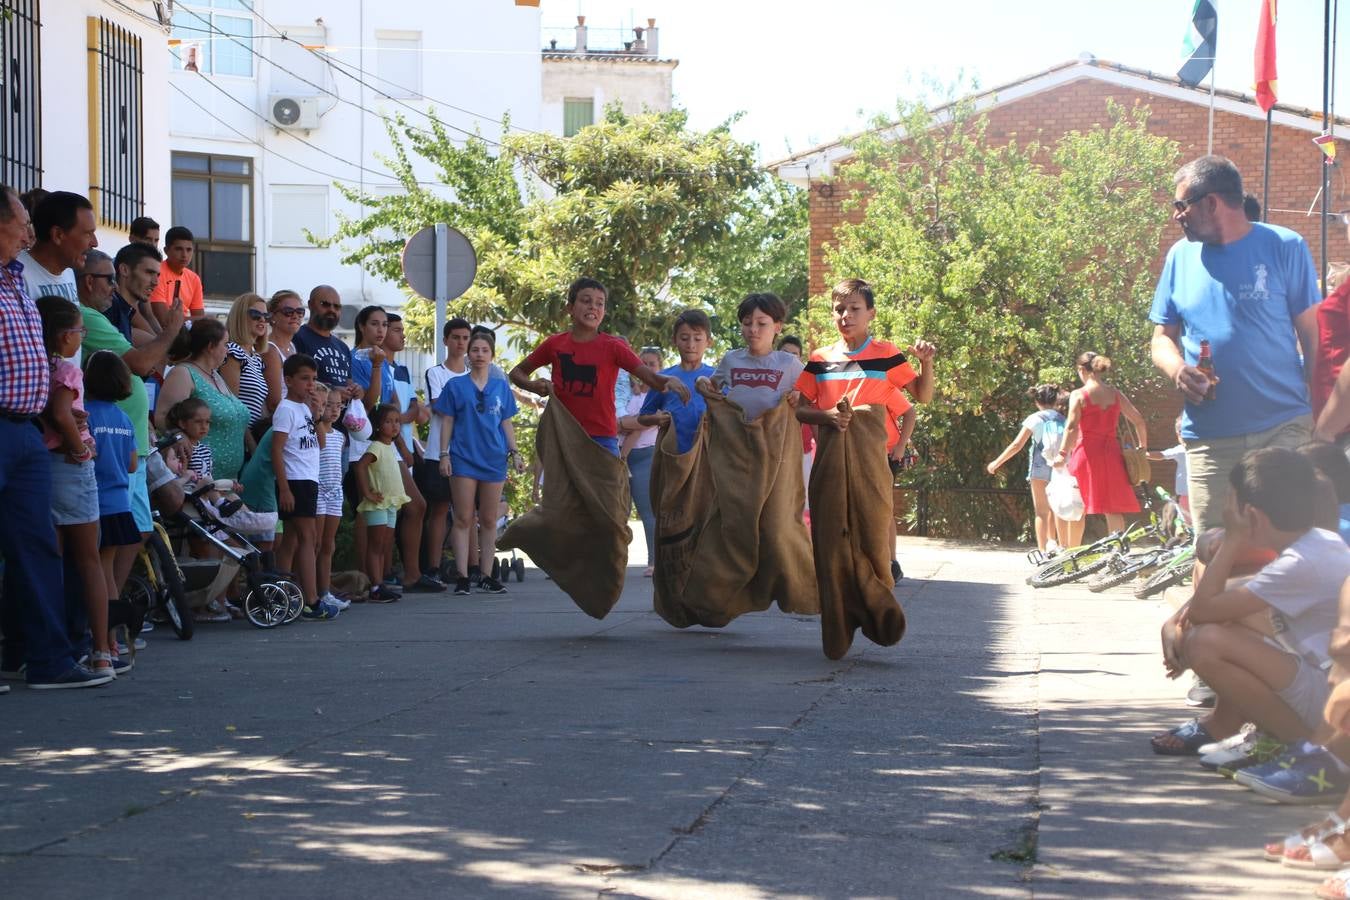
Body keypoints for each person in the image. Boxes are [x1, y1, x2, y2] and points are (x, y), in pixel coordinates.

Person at [1150, 155, 1320, 534]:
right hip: (1210, 434)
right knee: (1212, 546)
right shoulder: (1180, 256)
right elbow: (1161, 339)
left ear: (1211, 202)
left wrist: (1318, 408)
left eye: (1181, 205)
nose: (1177, 216)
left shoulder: (1284, 245)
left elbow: (1313, 335)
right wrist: (1178, 369)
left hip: (1283, 426)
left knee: (1286, 543)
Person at [1153, 449, 1350, 768]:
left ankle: (1308, 754)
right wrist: (1174, 621)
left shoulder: (1300, 562)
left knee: (1204, 642)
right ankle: (1272, 735)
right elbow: (1226, 600)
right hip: (1331, 684)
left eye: (1231, 509)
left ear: (1252, 517)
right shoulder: (1315, 544)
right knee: (1224, 623)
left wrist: (1232, 539)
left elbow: (1203, 613)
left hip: (1334, 697)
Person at [0, 186, 111, 690]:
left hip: (25, 431)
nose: (26, 231)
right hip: (11, 426)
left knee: (38, 547)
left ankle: (49, 660)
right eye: (19, 222)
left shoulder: (17, 279)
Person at [795, 278, 936, 582]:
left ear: (871, 313)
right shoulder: (820, 359)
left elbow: (921, 397)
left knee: (875, 517)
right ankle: (836, 576)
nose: (846, 315)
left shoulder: (886, 354)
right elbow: (800, 409)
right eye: (839, 309)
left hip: (875, 454)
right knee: (833, 516)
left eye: (855, 308)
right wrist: (829, 416)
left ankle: (881, 573)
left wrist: (926, 364)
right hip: (832, 453)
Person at [80, 242, 185, 581]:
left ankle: (117, 608)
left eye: (159, 274)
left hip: (136, 436)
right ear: (124, 271)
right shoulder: (101, 312)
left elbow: (156, 358)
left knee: (136, 529)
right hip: (112, 436)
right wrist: (170, 327)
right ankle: (107, 612)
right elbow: (141, 361)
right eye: (149, 273)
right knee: (112, 535)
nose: (156, 281)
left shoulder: (124, 311)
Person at [509, 277, 690, 454]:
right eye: (586, 301)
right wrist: (532, 386)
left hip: (602, 437)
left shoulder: (614, 346)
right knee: (558, 485)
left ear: (604, 311)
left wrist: (669, 381)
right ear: (570, 308)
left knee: (610, 484)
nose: (593, 307)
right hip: (561, 435)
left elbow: (650, 378)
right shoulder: (554, 344)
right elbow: (516, 373)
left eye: (600, 303)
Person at [37, 296, 120, 678]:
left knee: (49, 561)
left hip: (42, 467)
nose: (81, 338)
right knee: (89, 560)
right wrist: (79, 448)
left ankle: (50, 646)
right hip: (70, 467)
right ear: (63, 335)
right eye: (79, 331)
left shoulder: (38, 369)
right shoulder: (68, 370)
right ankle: (102, 647)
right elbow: (60, 414)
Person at [436, 331, 523, 595]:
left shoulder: (501, 388)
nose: (479, 355)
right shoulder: (455, 386)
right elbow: (447, 421)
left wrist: (515, 452)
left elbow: (506, 421)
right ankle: (463, 576)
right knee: (463, 518)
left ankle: (486, 575)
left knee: (488, 519)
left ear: (492, 355)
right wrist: (444, 454)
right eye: (475, 350)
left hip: (494, 459)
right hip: (463, 458)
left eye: (485, 350)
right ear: (468, 354)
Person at [1050, 352, 1147, 542]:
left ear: (1081, 370)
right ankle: (1118, 550)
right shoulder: (1115, 394)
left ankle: (1072, 554)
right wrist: (1142, 448)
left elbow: (1071, 427)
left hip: (1086, 453)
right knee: (1112, 508)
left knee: (1078, 506)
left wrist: (1062, 453)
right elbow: (1139, 420)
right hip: (1111, 454)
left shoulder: (1079, 394)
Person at [271, 354, 337, 620]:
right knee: (309, 539)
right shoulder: (286, 409)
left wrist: (317, 414)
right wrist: (284, 488)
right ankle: (311, 600)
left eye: (313, 379)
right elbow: (277, 450)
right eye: (304, 379)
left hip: (309, 479)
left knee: (292, 539)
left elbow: (320, 443)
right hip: (295, 480)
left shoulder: (304, 409)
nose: (310, 385)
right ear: (288, 380)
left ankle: (282, 593)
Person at [84, 350, 140, 661]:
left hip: (97, 503)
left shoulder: (86, 415)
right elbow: (132, 465)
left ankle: (103, 643)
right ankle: (114, 640)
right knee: (108, 576)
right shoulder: (124, 418)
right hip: (121, 504)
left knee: (98, 574)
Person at [155, 318, 250, 481]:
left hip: (227, 481)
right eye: (225, 344)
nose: (227, 350)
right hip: (197, 480)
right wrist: (178, 435)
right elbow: (162, 416)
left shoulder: (215, 376)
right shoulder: (183, 373)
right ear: (211, 346)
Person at [383, 312, 437, 592]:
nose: (401, 335)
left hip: (404, 447)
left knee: (405, 510)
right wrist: (399, 427)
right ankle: (397, 573)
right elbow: (385, 413)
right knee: (409, 507)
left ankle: (407, 572)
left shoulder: (402, 368)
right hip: (389, 448)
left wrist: (401, 419)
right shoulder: (376, 366)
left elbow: (416, 410)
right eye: (396, 330)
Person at [419, 317, 472, 582]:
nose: (461, 343)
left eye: (465, 338)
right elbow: (440, 405)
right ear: (445, 341)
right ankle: (433, 567)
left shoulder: (476, 373)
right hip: (440, 452)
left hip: (471, 452)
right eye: (456, 338)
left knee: (468, 512)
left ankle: (472, 568)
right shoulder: (436, 373)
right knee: (439, 509)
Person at [986, 384, 1069, 554]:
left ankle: (1043, 550)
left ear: (1037, 401)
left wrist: (997, 462)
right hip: (1061, 466)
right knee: (1058, 507)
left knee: (1041, 511)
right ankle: (1062, 547)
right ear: (1055, 400)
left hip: (1040, 465)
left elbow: (1017, 444)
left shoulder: (1035, 418)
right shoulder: (1063, 418)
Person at [712, 293, 805, 421]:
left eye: (761, 323)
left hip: (773, 439)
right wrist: (700, 381)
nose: (753, 329)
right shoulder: (730, 359)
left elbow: (817, 391)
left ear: (777, 327)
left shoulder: (789, 362)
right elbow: (710, 388)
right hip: (733, 438)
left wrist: (801, 394)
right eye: (747, 323)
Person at [635, 310, 715, 455]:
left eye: (697, 339)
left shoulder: (716, 377)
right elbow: (643, 417)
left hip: (708, 454)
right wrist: (656, 419)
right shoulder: (664, 378)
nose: (691, 345)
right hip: (672, 454)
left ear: (709, 342)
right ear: (674, 340)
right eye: (684, 338)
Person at [356, 404, 411, 603]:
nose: (394, 426)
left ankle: (379, 583)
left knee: (384, 546)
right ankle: (376, 586)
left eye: (397, 421)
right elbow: (360, 467)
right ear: (378, 425)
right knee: (376, 545)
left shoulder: (391, 446)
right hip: (378, 504)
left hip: (389, 504)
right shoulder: (376, 446)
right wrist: (367, 492)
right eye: (388, 421)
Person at [620, 348, 662, 576]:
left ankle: (654, 561)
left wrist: (623, 453)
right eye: (643, 363)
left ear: (660, 367)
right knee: (619, 512)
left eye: (652, 363)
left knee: (648, 512)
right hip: (621, 456)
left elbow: (640, 426)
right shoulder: (629, 395)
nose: (647, 367)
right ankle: (616, 560)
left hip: (645, 455)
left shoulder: (659, 394)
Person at [19, 191, 96, 308]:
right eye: (87, 234)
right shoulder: (17, 274)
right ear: (58, 235)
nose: (95, 243)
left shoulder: (68, 272)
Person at [312, 383, 348, 610]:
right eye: (329, 405)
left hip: (335, 492)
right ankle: (310, 590)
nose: (334, 410)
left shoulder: (341, 436)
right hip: (318, 491)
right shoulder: (316, 430)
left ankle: (325, 592)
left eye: (339, 406)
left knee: (328, 544)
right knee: (314, 544)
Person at [293, 284, 359, 401]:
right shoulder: (297, 337)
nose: (332, 310)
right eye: (325, 304)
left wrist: (356, 390)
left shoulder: (342, 347)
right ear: (310, 305)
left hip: (341, 417)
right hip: (312, 416)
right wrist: (331, 391)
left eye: (337, 307)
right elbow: (294, 380)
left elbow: (348, 381)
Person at [76, 249, 156, 345]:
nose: (155, 282)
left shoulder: (119, 307)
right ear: (89, 282)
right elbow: (135, 358)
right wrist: (173, 328)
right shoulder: (93, 316)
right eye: (110, 279)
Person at [221, 292, 271, 430]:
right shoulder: (232, 351)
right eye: (256, 315)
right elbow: (232, 407)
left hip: (251, 437)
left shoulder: (256, 359)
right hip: (237, 435)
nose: (262, 320)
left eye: (266, 316)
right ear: (240, 317)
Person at [147, 226, 205, 323]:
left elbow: (201, 319)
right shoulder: (156, 273)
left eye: (189, 250)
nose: (184, 255)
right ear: (166, 250)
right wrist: (191, 320)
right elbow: (164, 320)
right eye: (179, 249)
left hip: (185, 329)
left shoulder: (194, 278)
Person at [262, 289, 305, 411]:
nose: (295, 316)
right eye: (288, 312)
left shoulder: (292, 347)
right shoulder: (270, 350)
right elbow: (274, 402)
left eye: (300, 312)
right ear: (272, 316)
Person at [1147, 415, 1191, 522]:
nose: (1183, 436)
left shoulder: (1202, 448)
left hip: (1199, 494)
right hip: (1184, 495)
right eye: (1180, 432)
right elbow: (1162, 455)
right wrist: (1144, 454)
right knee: (1185, 523)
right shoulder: (1181, 450)